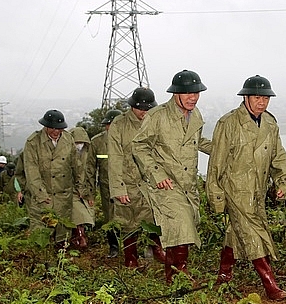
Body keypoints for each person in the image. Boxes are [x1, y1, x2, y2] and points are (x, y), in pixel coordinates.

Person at [206, 75, 286, 301]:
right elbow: (217, 162)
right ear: (245, 97)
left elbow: (278, 156)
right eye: (257, 97)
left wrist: (283, 181)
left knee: (237, 231)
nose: (262, 102)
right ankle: (270, 285)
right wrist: (216, 195)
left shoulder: (270, 124)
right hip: (234, 190)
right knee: (254, 233)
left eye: (265, 98)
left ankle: (224, 274)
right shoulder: (229, 124)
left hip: (258, 192)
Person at [132, 70, 212, 284]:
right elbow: (139, 146)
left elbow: (198, 141)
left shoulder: (196, 115)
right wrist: (156, 174)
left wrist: (221, 149)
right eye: (187, 93)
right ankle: (178, 275)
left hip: (188, 184)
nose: (192, 97)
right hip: (166, 183)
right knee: (180, 227)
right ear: (176, 93)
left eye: (196, 93)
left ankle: (173, 274)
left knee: (184, 228)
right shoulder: (157, 116)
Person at [109, 88, 166, 268]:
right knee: (128, 222)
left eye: (148, 108)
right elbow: (115, 157)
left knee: (156, 218)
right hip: (128, 181)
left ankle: (155, 250)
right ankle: (131, 259)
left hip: (151, 180)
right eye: (141, 108)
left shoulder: (155, 121)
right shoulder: (119, 125)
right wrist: (118, 187)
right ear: (132, 106)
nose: (144, 112)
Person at [23, 110, 83, 249]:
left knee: (62, 233)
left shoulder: (68, 140)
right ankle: (43, 263)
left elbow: (77, 166)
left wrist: (80, 187)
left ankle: (61, 263)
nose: (56, 132)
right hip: (44, 195)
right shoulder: (33, 142)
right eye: (53, 128)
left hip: (63, 194)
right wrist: (41, 194)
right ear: (45, 126)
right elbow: (32, 172)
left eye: (59, 128)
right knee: (42, 234)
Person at [89, 109, 122, 258]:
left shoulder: (130, 138)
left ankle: (131, 247)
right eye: (110, 124)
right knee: (110, 217)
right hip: (106, 187)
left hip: (127, 185)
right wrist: (89, 192)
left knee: (130, 217)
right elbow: (89, 168)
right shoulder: (97, 142)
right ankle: (113, 246)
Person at [69, 126, 94, 250]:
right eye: (77, 143)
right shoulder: (67, 154)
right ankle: (79, 237)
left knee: (84, 215)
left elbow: (91, 173)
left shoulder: (87, 154)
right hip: (70, 190)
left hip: (85, 190)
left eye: (81, 143)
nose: (79, 145)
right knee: (76, 214)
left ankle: (80, 237)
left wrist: (88, 192)